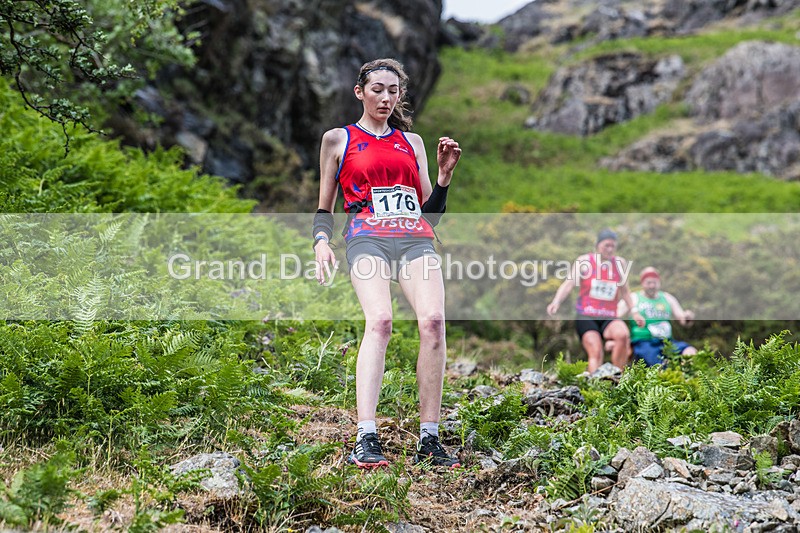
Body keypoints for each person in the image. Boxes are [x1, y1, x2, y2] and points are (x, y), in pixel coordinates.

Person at [313, 58, 462, 469]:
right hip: (367, 239)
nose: (385, 97)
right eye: (377, 89)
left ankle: (429, 441)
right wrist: (321, 242)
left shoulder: (411, 144)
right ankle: (366, 435)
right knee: (380, 321)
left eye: (393, 90)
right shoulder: (337, 139)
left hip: (415, 239)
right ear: (359, 91)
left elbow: (430, 215)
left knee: (433, 321)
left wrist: (445, 178)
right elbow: (324, 206)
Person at [546, 229, 645, 373]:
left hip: (609, 315)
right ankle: (595, 387)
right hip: (586, 315)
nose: (610, 249)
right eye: (606, 246)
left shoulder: (620, 264)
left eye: (613, 246)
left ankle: (619, 379)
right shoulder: (584, 261)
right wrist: (556, 301)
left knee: (622, 335)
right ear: (598, 246)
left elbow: (625, 291)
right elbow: (569, 283)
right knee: (596, 351)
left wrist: (635, 312)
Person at [617, 266, 697, 366]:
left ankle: (686, 377)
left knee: (690, 351)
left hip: (666, 342)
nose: (652, 286)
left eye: (654, 282)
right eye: (648, 283)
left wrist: (688, 317)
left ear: (659, 283)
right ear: (642, 283)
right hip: (643, 343)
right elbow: (615, 316)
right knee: (659, 365)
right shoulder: (633, 298)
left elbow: (683, 320)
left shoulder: (667, 298)